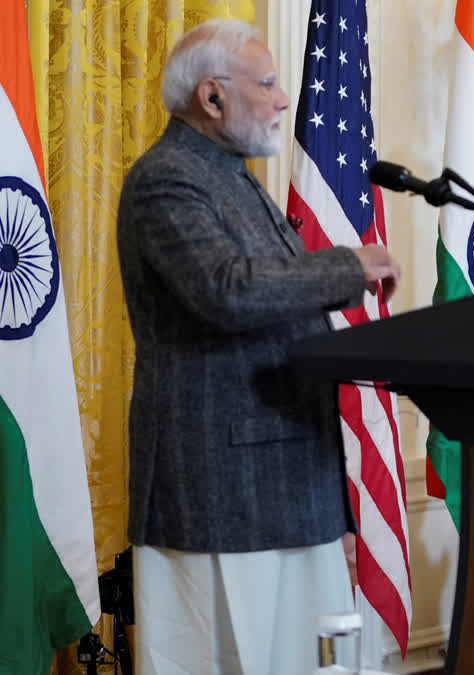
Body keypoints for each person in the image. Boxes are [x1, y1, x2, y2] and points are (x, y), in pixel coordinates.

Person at [115, 18, 400, 675]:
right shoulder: (167, 180)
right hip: (221, 491)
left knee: (317, 661)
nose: (281, 100)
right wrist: (348, 269)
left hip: (290, 483)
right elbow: (226, 290)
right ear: (211, 98)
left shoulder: (233, 179)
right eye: (267, 83)